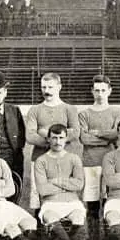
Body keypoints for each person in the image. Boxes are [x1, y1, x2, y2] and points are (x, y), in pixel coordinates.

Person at [79, 75, 120, 240]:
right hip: (90, 163)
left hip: (110, 164)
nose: (100, 94)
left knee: (108, 204)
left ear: (109, 91)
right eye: (96, 90)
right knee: (92, 206)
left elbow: (117, 135)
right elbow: (84, 139)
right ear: (92, 91)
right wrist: (106, 137)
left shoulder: (116, 112)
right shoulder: (84, 113)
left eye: (103, 90)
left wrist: (97, 133)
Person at [26, 73, 81, 213]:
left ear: (59, 87)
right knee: (38, 193)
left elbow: (75, 133)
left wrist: (44, 132)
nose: (47, 91)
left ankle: (65, 226)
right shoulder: (35, 110)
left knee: (63, 190)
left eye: (50, 87)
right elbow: (30, 136)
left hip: (64, 159)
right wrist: (57, 139)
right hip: (39, 158)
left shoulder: (70, 109)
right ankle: (39, 229)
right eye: (43, 87)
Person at [34, 124, 86, 240]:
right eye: (54, 138)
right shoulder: (41, 160)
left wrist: (56, 181)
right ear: (48, 139)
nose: (58, 141)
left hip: (72, 201)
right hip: (51, 202)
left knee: (78, 217)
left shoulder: (73, 158)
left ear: (66, 139)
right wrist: (67, 183)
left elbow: (79, 184)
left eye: (61, 138)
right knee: (50, 217)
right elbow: (43, 189)